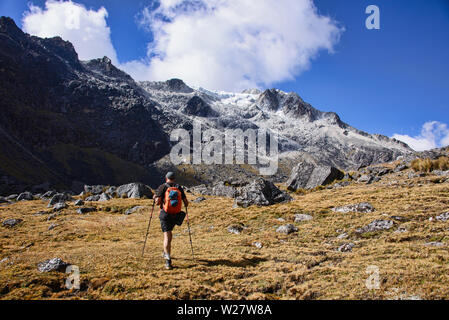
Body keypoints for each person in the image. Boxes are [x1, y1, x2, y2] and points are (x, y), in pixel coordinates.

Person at [154, 172, 189, 270]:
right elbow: (186, 203)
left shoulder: (163, 187)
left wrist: (155, 198)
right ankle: (165, 252)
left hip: (165, 214)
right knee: (169, 235)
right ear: (174, 179)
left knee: (167, 235)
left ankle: (168, 260)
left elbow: (157, 203)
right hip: (176, 215)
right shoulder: (179, 187)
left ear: (166, 179)